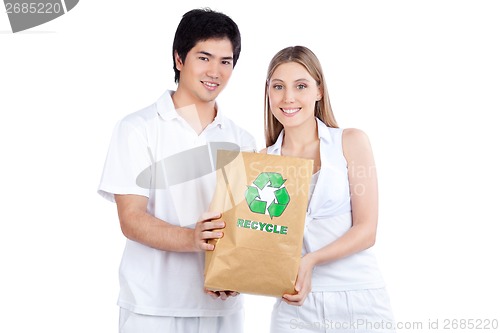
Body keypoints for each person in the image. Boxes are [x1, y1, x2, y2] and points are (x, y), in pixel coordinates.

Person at [98, 8, 255, 333]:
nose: (215, 71)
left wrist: (235, 273)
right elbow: (131, 220)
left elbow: (244, 225)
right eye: (204, 57)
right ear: (179, 59)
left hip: (221, 309)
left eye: (226, 62)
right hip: (151, 308)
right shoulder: (137, 128)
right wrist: (192, 238)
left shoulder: (242, 140)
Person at [262, 46, 395, 333]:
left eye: (301, 85)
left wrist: (311, 260)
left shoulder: (350, 142)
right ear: (268, 92)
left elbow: (366, 229)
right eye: (278, 86)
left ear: (319, 90)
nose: (288, 98)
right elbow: (262, 241)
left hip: (360, 299)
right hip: (295, 308)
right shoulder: (261, 161)